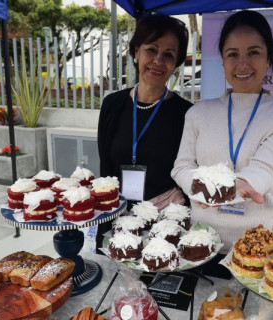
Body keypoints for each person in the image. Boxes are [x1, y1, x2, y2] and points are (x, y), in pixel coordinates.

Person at [171, 10, 273, 253]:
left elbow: (265, 168)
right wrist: (207, 192)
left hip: (259, 247)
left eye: (253, 52)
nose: (242, 64)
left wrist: (243, 183)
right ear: (222, 61)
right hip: (203, 242)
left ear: (268, 59)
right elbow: (181, 167)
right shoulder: (199, 113)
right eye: (232, 54)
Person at [96, 14, 192, 250]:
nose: (158, 60)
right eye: (151, 50)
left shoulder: (186, 113)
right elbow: (106, 167)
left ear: (177, 64)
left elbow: (188, 172)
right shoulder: (112, 105)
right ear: (136, 51)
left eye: (169, 54)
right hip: (120, 216)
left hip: (166, 222)